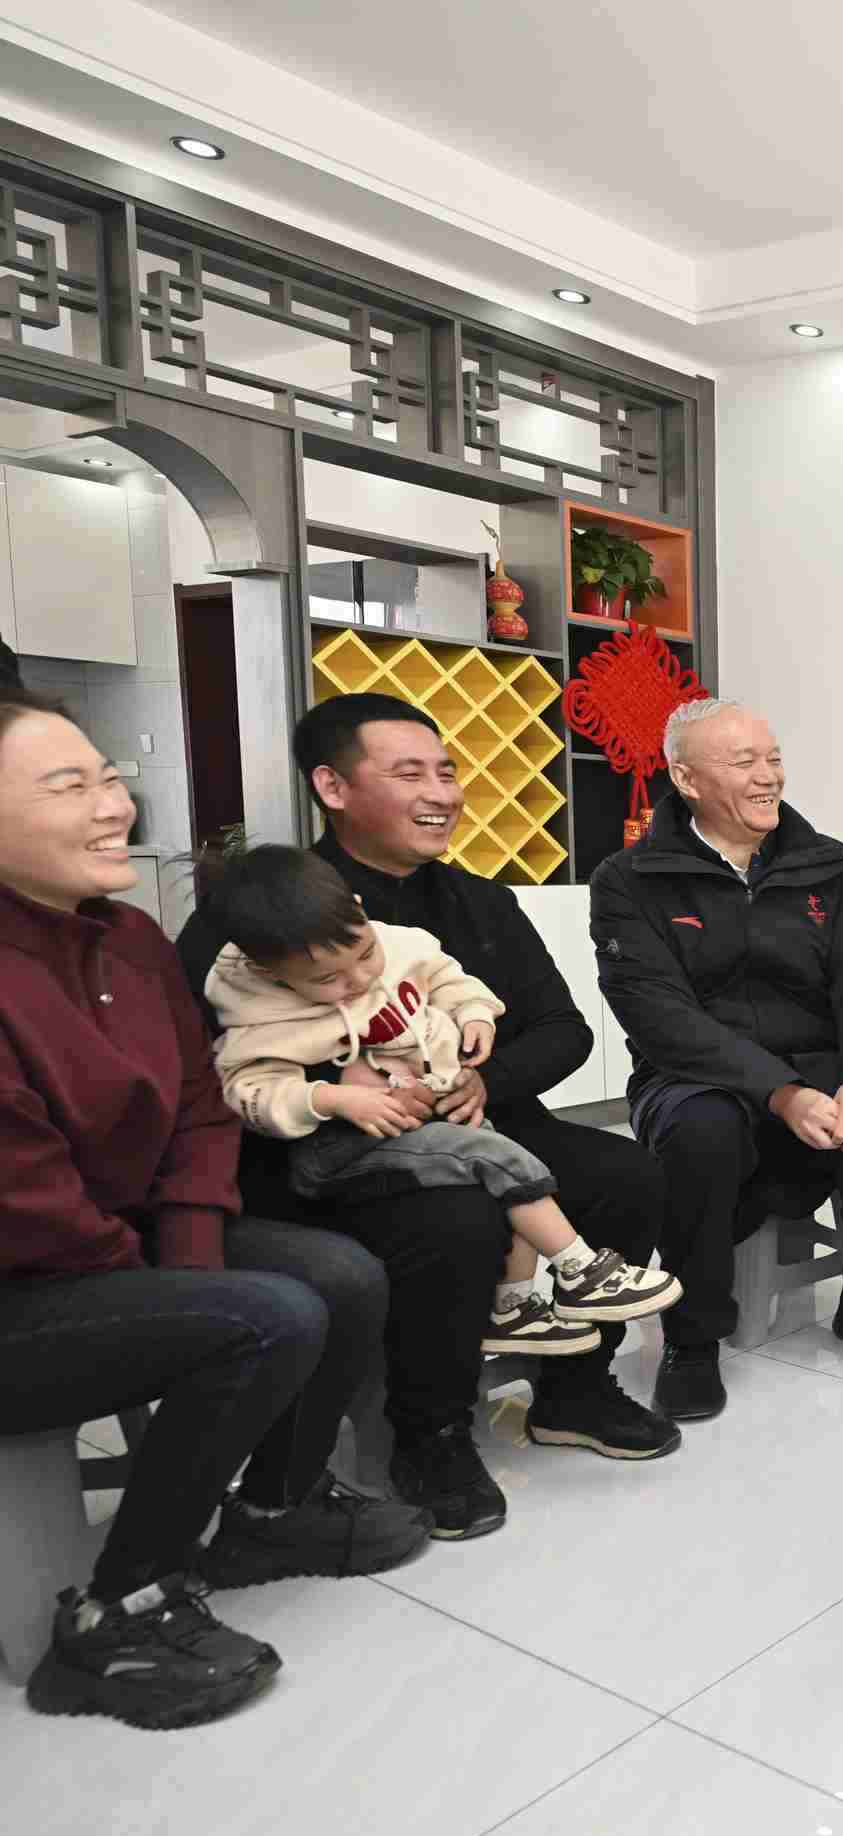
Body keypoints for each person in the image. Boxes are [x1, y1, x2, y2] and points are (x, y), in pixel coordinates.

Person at [0, 692, 426, 1729]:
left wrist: (187, 1252)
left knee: (342, 1275)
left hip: (120, 1248)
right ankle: (115, 1614)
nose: (115, 805)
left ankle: (269, 1512)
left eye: (109, 778)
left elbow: (199, 1105)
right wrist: (173, 1286)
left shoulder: (131, 938)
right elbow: (22, 1196)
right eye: (70, 786)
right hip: (25, 1283)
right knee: (264, 1315)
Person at [179, 693, 680, 1542]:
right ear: (333, 787)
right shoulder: (260, 918)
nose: (441, 793)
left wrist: (483, 1079)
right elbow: (215, 1070)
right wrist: (339, 1088)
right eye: (410, 773)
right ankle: (431, 1433)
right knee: (456, 1216)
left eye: (446, 771)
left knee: (626, 1173)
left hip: (480, 1117)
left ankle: (575, 1389)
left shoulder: (481, 903)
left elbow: (564, 1029)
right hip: (331, 1150)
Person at [200, 845, 682, 1336]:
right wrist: (331, 1098)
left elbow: (450, 978)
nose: (360, 978)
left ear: (361, 910)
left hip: (430, 1115)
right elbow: (248, 1091)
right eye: (328, 979)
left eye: (365, 954)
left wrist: (475, 1015)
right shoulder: (260, 1015)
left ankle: (513, 1307)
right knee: (500, 1163)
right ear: (270, 972)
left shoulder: (401, 943)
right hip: (342, 1145)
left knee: (519, 1175)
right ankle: (580, 1269)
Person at [590, 696, 843, 1421]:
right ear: (686, 778)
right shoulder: (630, 879)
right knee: (700, 1130)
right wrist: (780, 1091)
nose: (768, 776)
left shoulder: (829, 864)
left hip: (818, 1061)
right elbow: (658, 1012)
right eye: (745, 762)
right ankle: (693, 1339)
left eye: (773, 759)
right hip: (694, 1075)